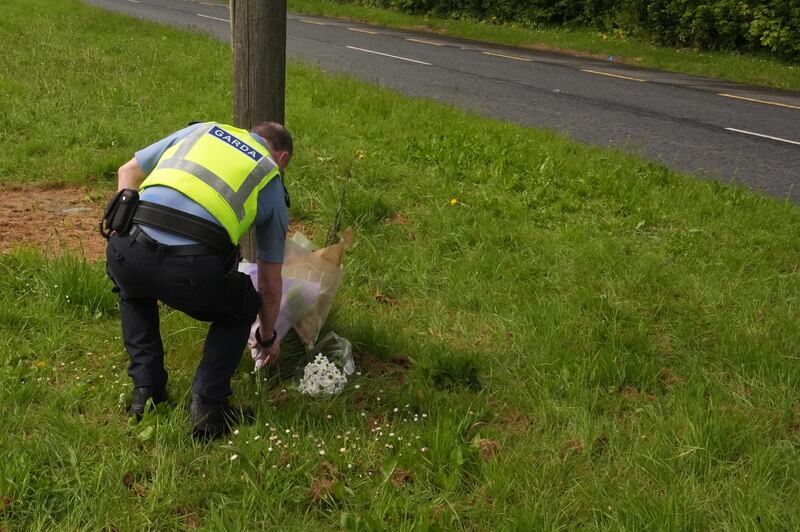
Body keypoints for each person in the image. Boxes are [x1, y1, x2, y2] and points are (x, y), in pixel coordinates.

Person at [105, 120, 292, 438]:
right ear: (283, 158)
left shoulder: (201, 130)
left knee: (134, 288)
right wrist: (267, 337)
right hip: (191, 271)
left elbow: (128, 171)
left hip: (128, 246)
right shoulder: (269, 175)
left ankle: (146, 393)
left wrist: (124, 229)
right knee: (244, 301)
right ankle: (208, 407)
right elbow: (271, 285)